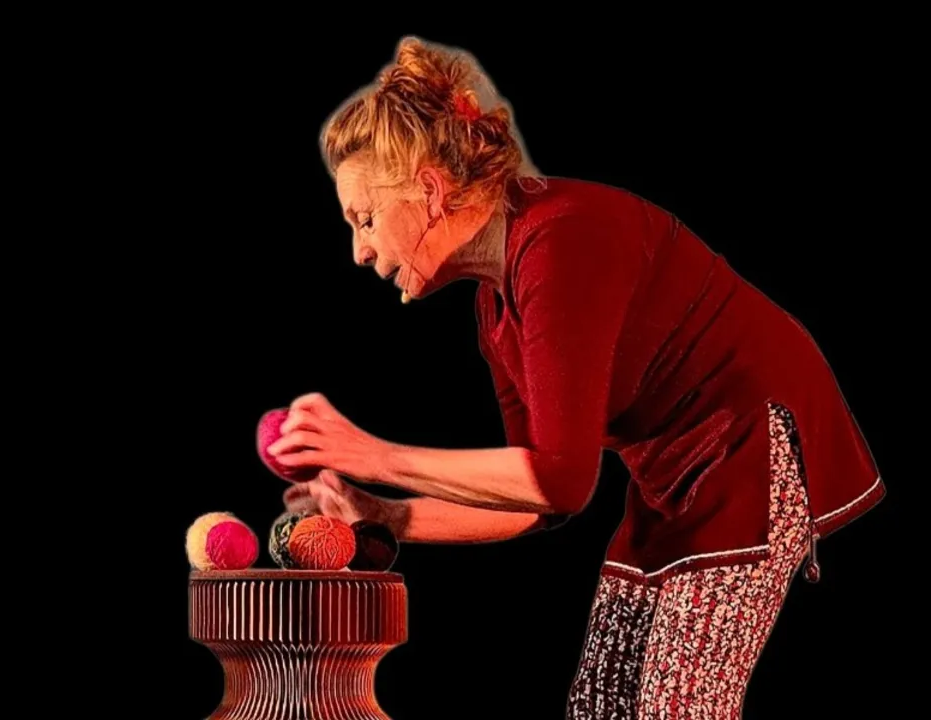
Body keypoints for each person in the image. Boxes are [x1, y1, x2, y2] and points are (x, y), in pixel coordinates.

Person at [264, 36, 885, 718]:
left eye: (365, 218)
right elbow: (537, 499)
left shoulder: (561, 242)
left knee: (678, 709)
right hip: (672, 479)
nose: (360, 250)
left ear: (431, 192)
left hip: (750, 452)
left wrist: (373, 454)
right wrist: (387, 515)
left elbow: (561, 478)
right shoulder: (496, 306)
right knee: (601, 705)